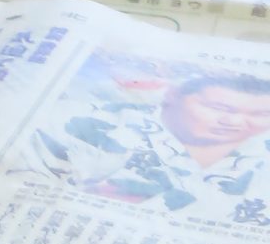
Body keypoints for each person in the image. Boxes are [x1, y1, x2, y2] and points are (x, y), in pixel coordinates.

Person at [36, 70, 270, 223]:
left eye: (260, 114)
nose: (234, 122)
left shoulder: (259, 156)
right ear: (174, 95)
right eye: (218, 108)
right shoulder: (90, 123)